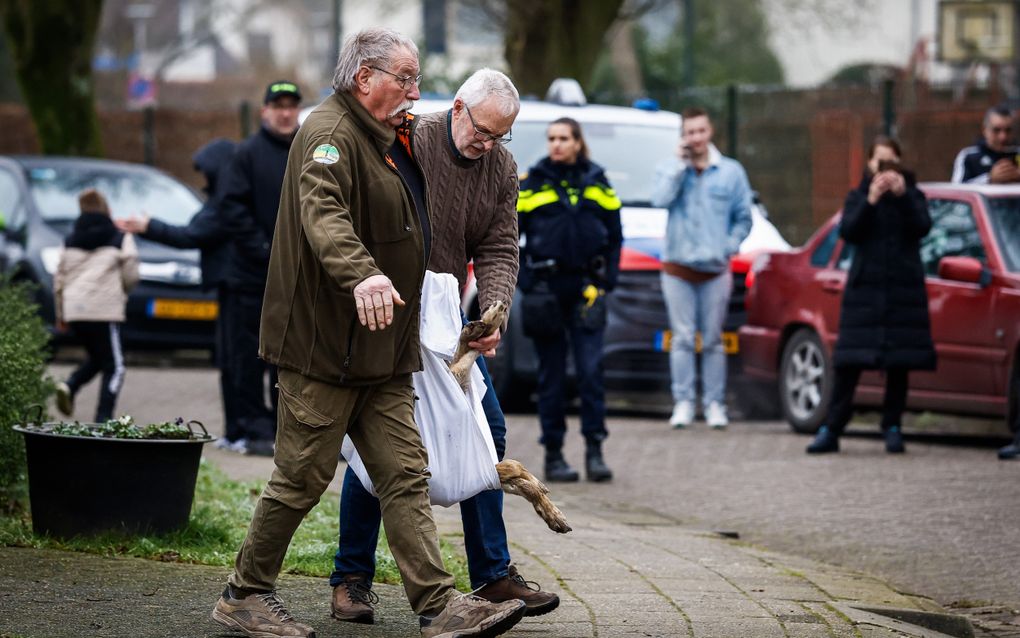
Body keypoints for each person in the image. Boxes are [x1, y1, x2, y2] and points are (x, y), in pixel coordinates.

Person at [210, 28, 525, 638]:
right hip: (326, 346)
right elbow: (322, 213)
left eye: (414, 78)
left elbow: (466, 236)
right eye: (405, 78)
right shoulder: (329, 135)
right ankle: (244, 594)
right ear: (365, 79)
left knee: (404, 474)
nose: (415, 90)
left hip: (385, 349)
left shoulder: (388, 138)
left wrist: (481, 307)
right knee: (302, 476)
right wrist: (363, 276)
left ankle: (439, 605)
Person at [329, 69, 559, 624]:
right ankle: (351, 578)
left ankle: (493, 576)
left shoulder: (499, 167)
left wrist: (495, 308)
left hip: (447, 318)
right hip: (392, 308)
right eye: (482, 130)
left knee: (487, 429)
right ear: (458, 108)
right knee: (381, 440)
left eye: (499, 136)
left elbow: (500, 243)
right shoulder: (411, 141)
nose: (487, 145)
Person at [807, 136, 935, 455]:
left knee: (898, 364)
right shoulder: (858, 196)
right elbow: (849, 232)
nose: (885, 170)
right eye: (879, 163)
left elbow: (922, 227)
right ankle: (832, 428)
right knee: (848, 364)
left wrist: (903, 196)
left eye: (891, 163)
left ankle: (892, 426)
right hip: (864, 294)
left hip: (902, 293)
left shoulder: (915, 196)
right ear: (869, 164)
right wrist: (872, 199)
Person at [115, 139, 242, 450]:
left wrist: (149, 226)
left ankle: (243, 430)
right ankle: (236, 429)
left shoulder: (227, 202)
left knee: (236, 362)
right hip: (226, 286)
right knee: (228, 362)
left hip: (236, 287)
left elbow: (192, 234)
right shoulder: (221, 199)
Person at [517, 117, 622, 483]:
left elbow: (615, 235)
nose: (557, 144)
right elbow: (509, 236)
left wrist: (607, 279)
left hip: (586, 291)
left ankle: (595, 451)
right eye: (552, 138)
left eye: (564, 138)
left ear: (578, 142)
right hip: (546, 291)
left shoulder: (597, 180)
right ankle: (554, 454)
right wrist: (528, 283)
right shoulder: (533, 182)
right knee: (552, 378)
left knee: (592, 373)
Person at [651, 106, 752, 430]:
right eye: (689, 132)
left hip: (715, 271)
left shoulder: (731, 172)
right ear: (683, 136)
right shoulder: (669, 167)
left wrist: (728, 246)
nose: (695, 137)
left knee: (712, 340)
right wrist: (679, 168)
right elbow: (660, 200)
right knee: (681, 338)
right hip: (677, 269)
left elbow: (743, 217)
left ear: (710, 133)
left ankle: (714, 404)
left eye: (700, 131)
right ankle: (683, 402)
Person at [216, 80, 302, 456]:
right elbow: (231, 208)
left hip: (297, 282)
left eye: (291, 106)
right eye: (277, 105)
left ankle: (287, 428)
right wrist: (266, 249)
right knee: (248, 357)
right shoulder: (246, 154)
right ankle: (253, 430)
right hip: (251, 280)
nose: (285, 113)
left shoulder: (311, 149)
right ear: (265, 110)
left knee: (291, 359)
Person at [53, 189, 139, 423]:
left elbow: (58, 279)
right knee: (117, 367)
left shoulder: (69, 240)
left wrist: (60, 314)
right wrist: (121, 292)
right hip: (104, 310)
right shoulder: (120, 237)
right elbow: (131, 273)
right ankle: (104, 419)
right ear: (107, 209)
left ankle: (71, 385)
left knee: (100, 358)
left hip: (75, 311)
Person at [951, 105, 1020, 184]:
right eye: (996, 130)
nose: (1003, 137)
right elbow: (957, 189)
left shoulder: (1018, 153)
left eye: (1008, 130)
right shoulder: (969, 156)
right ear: (984, 130)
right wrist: (989, 179)